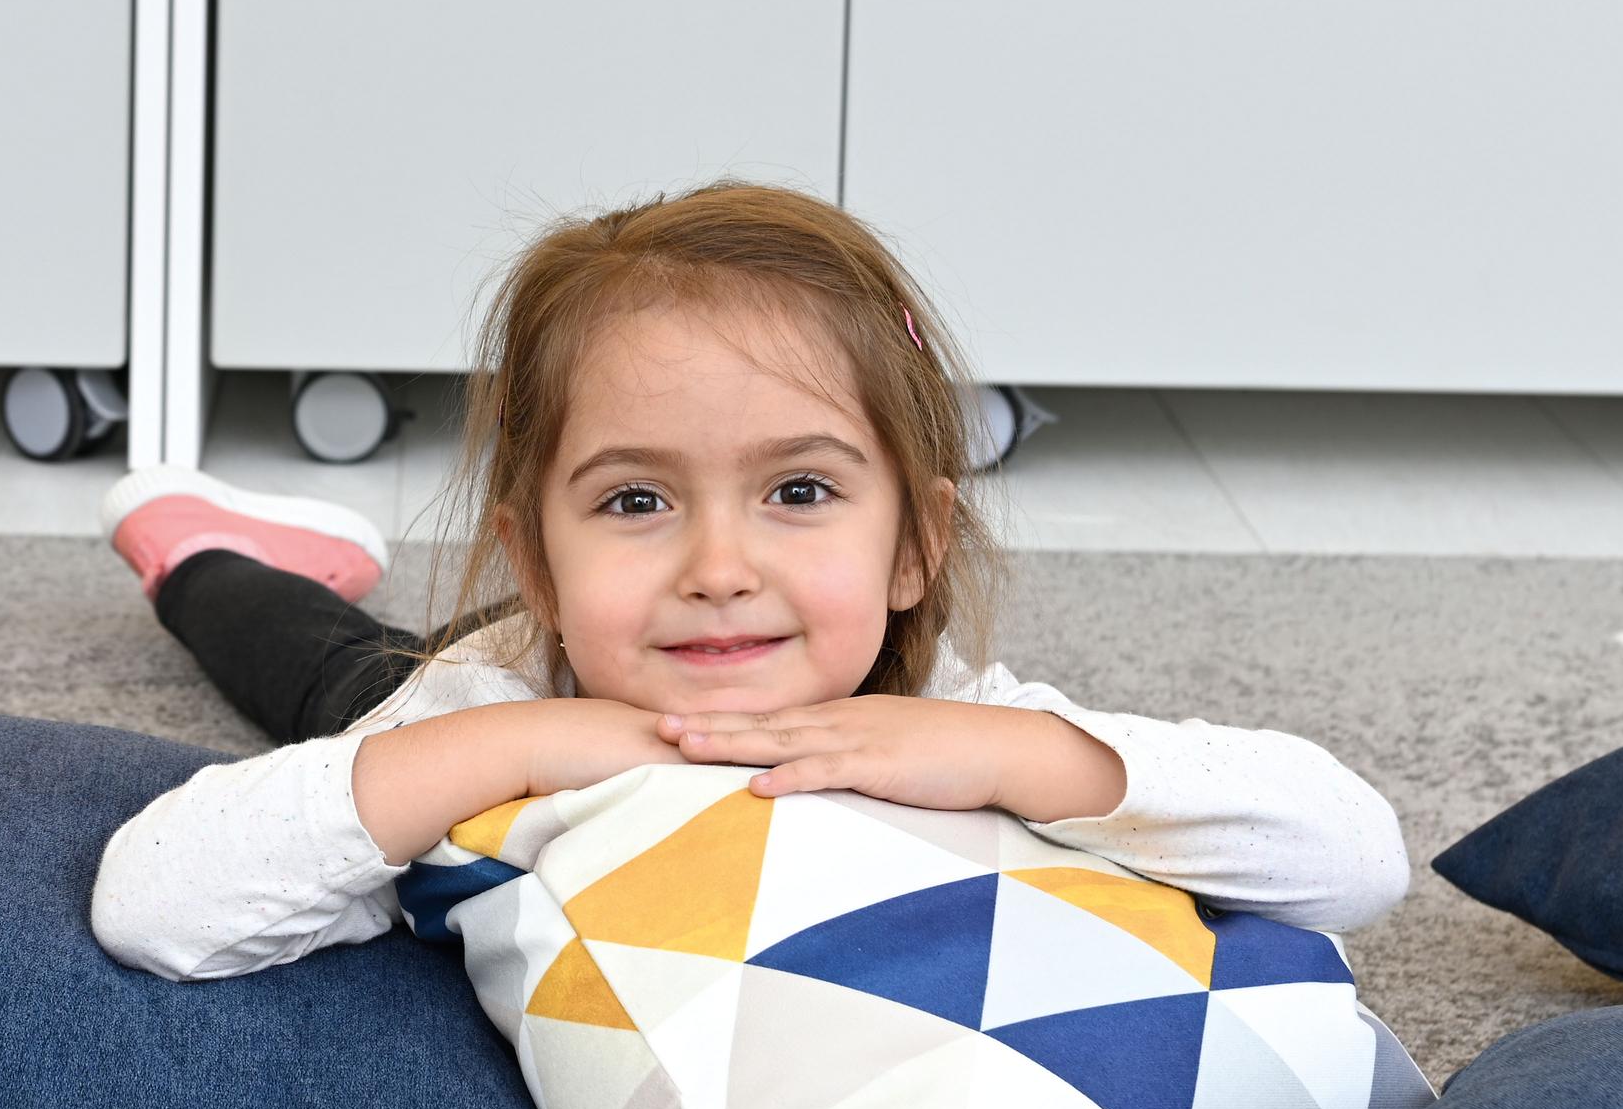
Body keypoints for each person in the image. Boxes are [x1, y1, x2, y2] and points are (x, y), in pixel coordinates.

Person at [89, 181, 1405, 978]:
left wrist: (1024, 758)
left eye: (799, 491)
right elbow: (157, 903)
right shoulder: (481, 707)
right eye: (636, 499)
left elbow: (1353, 856)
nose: (719, 569)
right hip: (516, 678)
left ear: (913, 547)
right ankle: (200, 542)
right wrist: (533, 732)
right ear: (538, 557)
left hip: (664, 665)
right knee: (330, 669)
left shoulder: (943, 718)